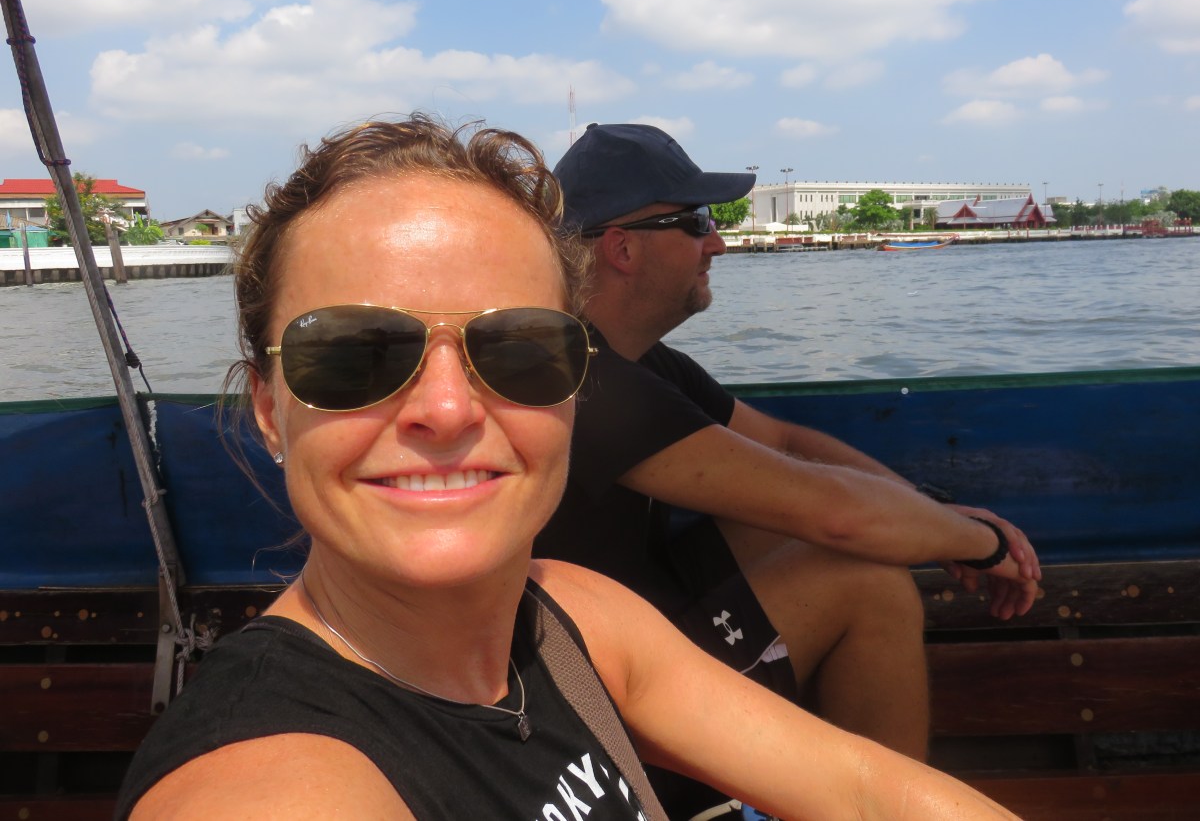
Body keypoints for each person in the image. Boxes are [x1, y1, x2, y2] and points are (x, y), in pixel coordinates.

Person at [115, 115, 1021, 821]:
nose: (447, 409)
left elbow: (869, 791)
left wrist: (932, 511)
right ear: (268, 409)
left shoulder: (571, 619)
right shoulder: (272, 781)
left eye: (521, 349)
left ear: (573, 386)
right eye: (354, 353)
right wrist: (973, 538)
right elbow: (825, 508)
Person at [536, 122, 1043, 764]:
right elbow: (837, 514)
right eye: (697, 222)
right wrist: (981, 542)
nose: (717, 244)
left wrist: (931, 516)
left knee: (783, 519)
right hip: (585, 713)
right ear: (622, 248)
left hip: (627, 632)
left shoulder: (638, 361)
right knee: (870, 583)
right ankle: (878, 804)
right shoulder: (585, 382)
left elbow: (784, 442)